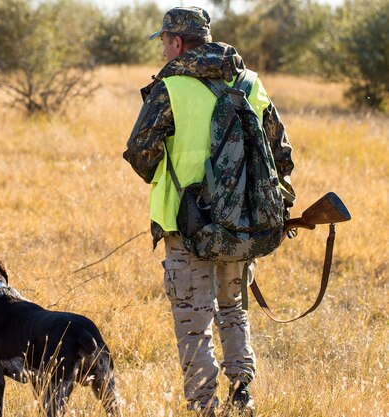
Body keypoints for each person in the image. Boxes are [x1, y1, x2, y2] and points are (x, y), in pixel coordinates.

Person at [123, 6, 295, 417]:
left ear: (178, 42)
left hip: (189, 228)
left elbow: (140, 154)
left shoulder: (171, 89)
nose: (163, 51)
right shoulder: (250, 83)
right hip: (241, 228)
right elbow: (281, 155)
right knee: (233, 309)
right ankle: (242, 395)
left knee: (193, 323)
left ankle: (204, 408)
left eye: (164, 42)